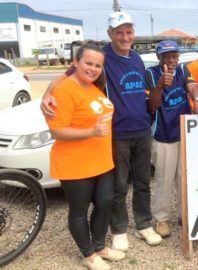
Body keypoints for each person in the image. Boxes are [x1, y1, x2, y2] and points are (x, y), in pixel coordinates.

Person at [41, 11, 162, 251]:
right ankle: (119, 229)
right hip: (116, 133)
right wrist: (46, 94)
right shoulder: (101, 57)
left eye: (128, 32)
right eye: (119, 32)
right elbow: (67, 75)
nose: (125, 37)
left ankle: (143, 224)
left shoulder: (137, 58)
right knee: (118, 185)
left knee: (142, 182)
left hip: (142, 130)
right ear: (110, 34)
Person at [45, 43, 126, 270]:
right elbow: (56, 131)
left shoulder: (93, 87)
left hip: (101, 162)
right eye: (88, 63)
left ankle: (99, 246)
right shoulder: (64, 90)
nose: (93, 68)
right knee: (79, 211)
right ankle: (88, 254)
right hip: (75, 164)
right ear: (75, 63)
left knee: (105, 203)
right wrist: (91, 132)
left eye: (98, 65)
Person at [145, 40, 198, 237]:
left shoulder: (182, 69)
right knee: (164, 178)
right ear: (159, 57)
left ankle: (185, 213)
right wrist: (161, 85)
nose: (172, 60)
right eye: (167, 56)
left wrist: (197, 101)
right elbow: (151, 107)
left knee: (185, 177)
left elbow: (193, 87)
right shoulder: (150, 74)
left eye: (174, 56)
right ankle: (162, 219)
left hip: (185, 133)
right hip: (163, 135)